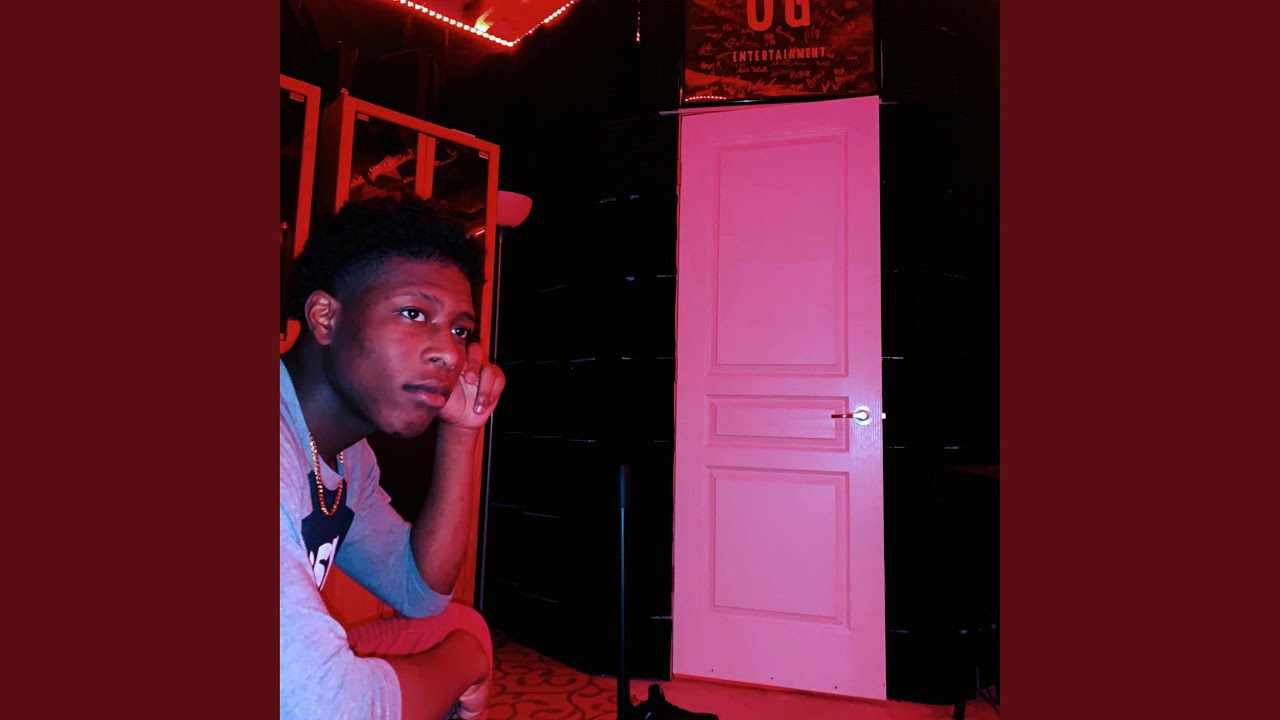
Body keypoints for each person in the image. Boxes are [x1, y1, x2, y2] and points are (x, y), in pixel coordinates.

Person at [279, 194, 506, 719]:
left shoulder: (348, 459)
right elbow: (326, 709)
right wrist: (465, 661)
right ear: (325, 318)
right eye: (413, 313)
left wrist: (462, 430)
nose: (450, 353)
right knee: (457, 647)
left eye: (460, 330)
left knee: (459, 625)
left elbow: (418, 590)